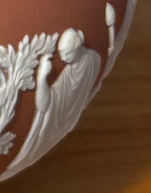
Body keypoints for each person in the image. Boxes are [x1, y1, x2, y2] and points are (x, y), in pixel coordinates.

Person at [9, 28, 104, 172]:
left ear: (78, 48)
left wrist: (42, 77)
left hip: (64, 121)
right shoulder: (78, 67)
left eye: (67, 53)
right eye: (61, 53)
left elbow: (45, 105)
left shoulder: (93, 60)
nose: (63, 58)